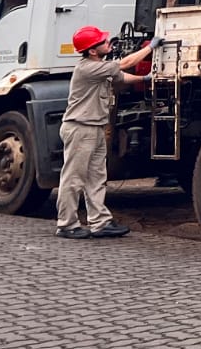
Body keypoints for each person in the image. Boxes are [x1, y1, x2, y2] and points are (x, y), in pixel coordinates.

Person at [55, 25, 158, 239]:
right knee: (74, 179)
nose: (108, 43)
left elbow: (120, 77)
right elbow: (125, 64)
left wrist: (144, 79)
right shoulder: (87, 68)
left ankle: (99, 222)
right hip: (81, 128)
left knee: (96, 178)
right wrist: (151, 47)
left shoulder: (99, 67)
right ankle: (66, 224)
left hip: (94, 127)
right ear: (92, 50)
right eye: (103, 42)